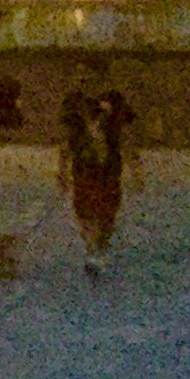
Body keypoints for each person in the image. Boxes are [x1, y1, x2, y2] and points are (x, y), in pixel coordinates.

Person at [58, 87, 135, 279]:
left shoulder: (111, 130)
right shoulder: (78, 132)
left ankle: (97, 248)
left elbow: (126, 148)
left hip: (106, 178)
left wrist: (136, 171)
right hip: (88, 178)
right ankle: (93, 250)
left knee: (105, 221)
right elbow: (65, 151)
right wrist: (62, 174)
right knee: (89, 218)